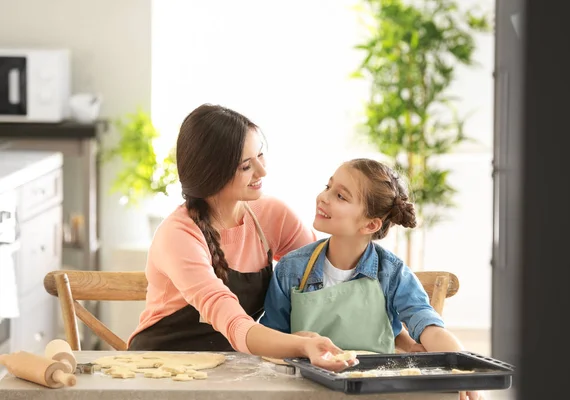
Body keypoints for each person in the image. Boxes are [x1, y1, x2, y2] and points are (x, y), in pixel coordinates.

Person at [127, 104, 352, 371]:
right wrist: (297, 344)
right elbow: (232, 321)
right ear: (212, 174)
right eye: (246, 166)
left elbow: (324, 276)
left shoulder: (273, 215)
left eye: (260, 155)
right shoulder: (178, 235)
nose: (262, 171)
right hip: (157, 368)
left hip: (228, 365)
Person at [260, 158, 482, 400]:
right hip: (305, 391)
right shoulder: (292, 268)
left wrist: (466, 372)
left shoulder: (392, 273)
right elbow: (269, 340)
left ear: (370, 224)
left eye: (340, 196)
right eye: (328, 187)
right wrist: (297, 340)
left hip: (377, 392)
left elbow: (429, 327)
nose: (323, 197)